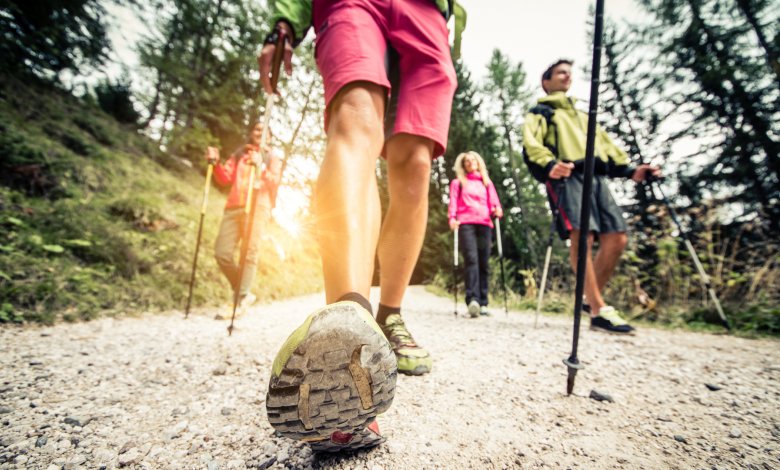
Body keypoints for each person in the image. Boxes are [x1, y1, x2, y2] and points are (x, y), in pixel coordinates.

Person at [257, 0, 462, 453]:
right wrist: (285, 19)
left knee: (415, 162)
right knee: (354, 117)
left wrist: (452, 28)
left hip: (427, 13)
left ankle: (390, 314)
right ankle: (350, 321)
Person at [521, 59, 661, 334]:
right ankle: (598, 309)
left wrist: (631, 170)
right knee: (582, 235)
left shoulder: (585, 116)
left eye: (569, 74)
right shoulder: (542, 112)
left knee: (616, 237)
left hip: (596, 177)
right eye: (560, 73)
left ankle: (588, 299)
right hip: (567, 176)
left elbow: (607, 147)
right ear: (546, 81)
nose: (567, 77)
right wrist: (550, 165)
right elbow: (531, 143)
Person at [206, 122, 282, 320]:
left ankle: (239, 301)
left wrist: (261, 166)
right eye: (256, 129)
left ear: (270, 137)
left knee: (249, 252)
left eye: (264, 130)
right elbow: (224, 179)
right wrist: (214, 164)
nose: (259, 132)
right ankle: (244, 293)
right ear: (251, 133)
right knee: (222, 253)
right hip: (234, 206)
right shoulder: (241, 153)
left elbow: (274, 181)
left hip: (258, 206)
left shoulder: (272, 157)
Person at [448, 151, 503, 318]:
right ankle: (473, 300)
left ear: (479, 163)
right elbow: (453, 202)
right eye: (466, 161)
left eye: (472, 160)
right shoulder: (458, 183)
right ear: (463, 165)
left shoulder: (487, 183)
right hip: (466, 224)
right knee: (471, 259)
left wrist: (497, 209)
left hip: (485, 223)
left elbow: (494, 202)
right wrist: (452, 218)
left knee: (484, 262)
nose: (470, 163)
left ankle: (484, 302)